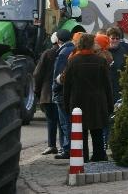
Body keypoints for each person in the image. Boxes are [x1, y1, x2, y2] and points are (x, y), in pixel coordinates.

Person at [62, 33, 113, 163]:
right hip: (97, 100)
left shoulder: (73, 61)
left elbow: (67, 86)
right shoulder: (100, 61)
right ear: (92, 45)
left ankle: (82, 156)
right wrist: (110, 104)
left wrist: (66, 104)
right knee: (97, 130)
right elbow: (107, 85)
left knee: (81, 131)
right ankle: (99, 155)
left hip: (78, 100)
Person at [33, 32, 61, 155]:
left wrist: (37, 90)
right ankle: (64, 146)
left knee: (51, 120)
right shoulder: (67, 52)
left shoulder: (47, 53)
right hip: (61, 92)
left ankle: (52, 145)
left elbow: (37, 74)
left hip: (48, 93)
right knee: (62, 121)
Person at [51, 28, 76, 159]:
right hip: (74, 91)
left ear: (58, 40)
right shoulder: (74, 49)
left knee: (65, 123)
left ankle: (67, 149)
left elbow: (59, 75)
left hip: (62, 92)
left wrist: (55, 89)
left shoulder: (62, 53)